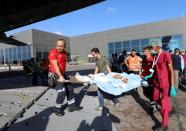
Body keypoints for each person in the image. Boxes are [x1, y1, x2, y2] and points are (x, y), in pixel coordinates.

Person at [48, 38, 82, 116]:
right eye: (57, 45)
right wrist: (60, 76)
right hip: (54, 75)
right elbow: (55, 65)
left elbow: (62, 65)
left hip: (63, 74)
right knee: (62, 91)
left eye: (61, 46)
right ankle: (56, 108)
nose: (59, 47)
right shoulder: (53, 53)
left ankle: (72, 106)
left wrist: (64, 75)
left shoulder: (65, 53)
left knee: (70, 89)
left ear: (64, 47)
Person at [149, 38, 176, 130]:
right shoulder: (155, 56)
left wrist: (172, 86)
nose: (151, 47)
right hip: (157, 83)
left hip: (165, 83)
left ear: (157, 46)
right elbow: (154, 68)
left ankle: (165, 125)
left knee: (164, 102)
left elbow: (171, 70)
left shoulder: (166, 54)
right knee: (155, 98)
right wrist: (149, 75)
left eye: (152, 45)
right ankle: (169, 110)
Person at [141, 46, 156, 113]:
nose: (144, 52)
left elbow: (154, 69)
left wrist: (150, 75)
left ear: (149, 52)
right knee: (145, 93)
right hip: (144, 78)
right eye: (143, 51)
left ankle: (152, 108)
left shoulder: (152, 59)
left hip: (150, 79)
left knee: (151, 94)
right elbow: (143, 68)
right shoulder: (144, 59)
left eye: (145, 51)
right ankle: (153, 102)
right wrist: (141, 73)